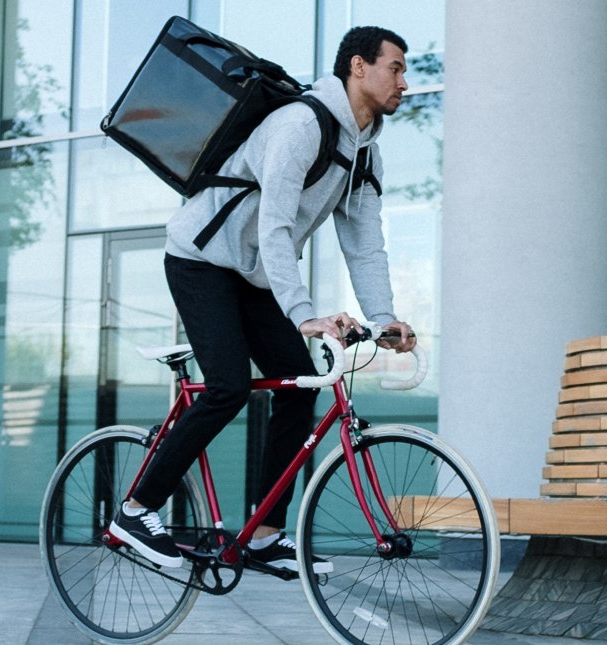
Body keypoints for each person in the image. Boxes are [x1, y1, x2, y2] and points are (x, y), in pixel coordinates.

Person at [110, 26, 418, 575]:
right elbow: (275, 227)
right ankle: (135, 510)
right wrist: (304, 315)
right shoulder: (300, 125)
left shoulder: (366, 156)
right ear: (357, 67)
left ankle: (265, 534)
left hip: (251, 276)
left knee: (299, 389)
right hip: (200, 260)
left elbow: (366, 246)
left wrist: (384, 318)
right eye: (394, 67)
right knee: (227, 385)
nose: (404, 81)